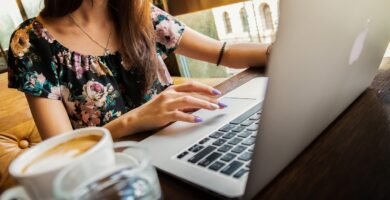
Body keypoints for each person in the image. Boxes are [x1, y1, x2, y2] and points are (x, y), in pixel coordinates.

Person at [7, 0, 270, 140]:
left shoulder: (141, 14)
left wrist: (283, 49)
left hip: (178, 143)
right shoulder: (32, 42)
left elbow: (223, 52)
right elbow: (62, 151)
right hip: (111, 176)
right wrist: (135, 119)